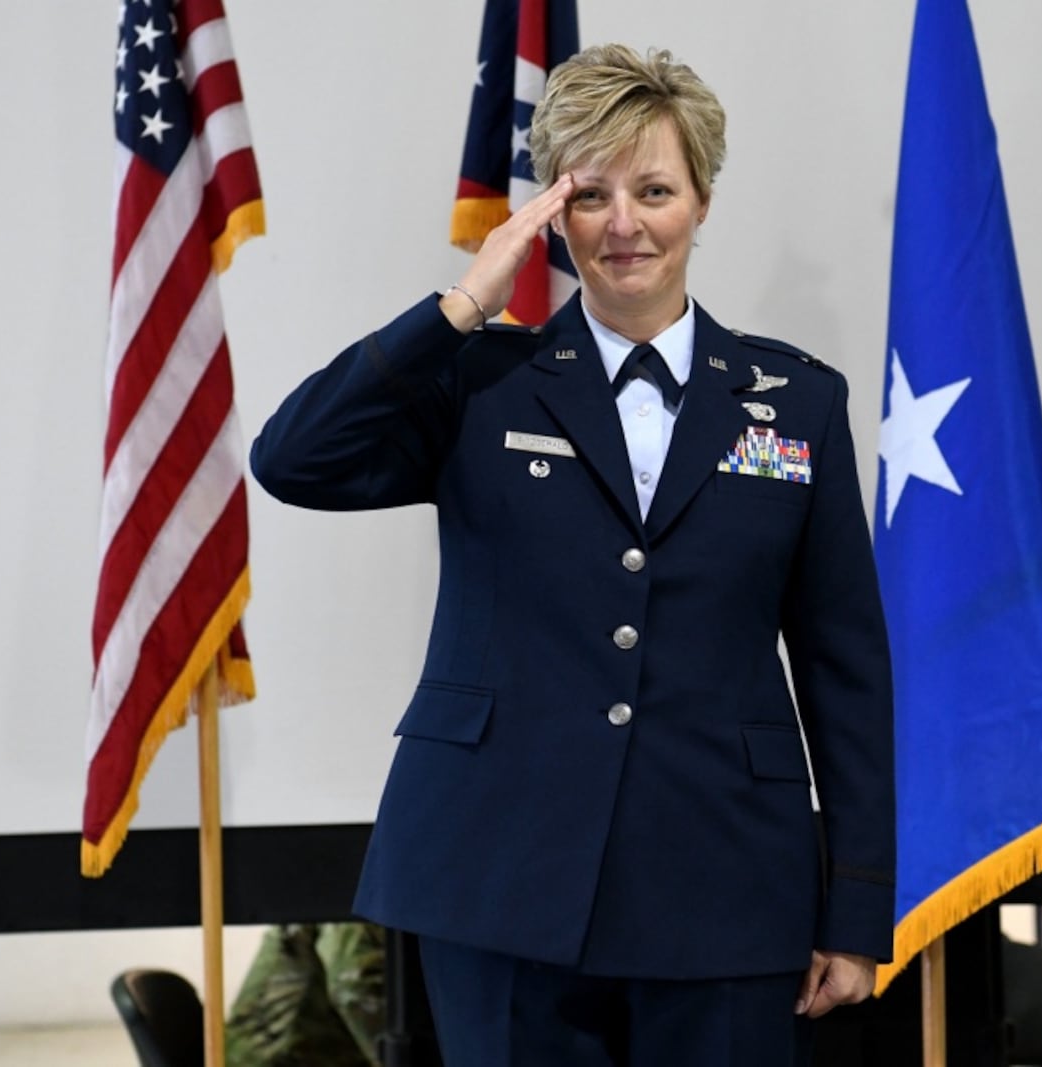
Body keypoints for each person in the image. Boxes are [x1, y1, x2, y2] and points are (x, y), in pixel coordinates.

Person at [251, 43, 895, 1067]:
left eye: (655, 189)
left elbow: (843, 665)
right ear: (554, 211)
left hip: (722, 880)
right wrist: (459, 306)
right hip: (497, 872)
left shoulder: (796, 401)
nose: (626, 224)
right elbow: (292, 458)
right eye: (593, 194)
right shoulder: (481, 382)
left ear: (702, 202)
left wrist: (857, 903)